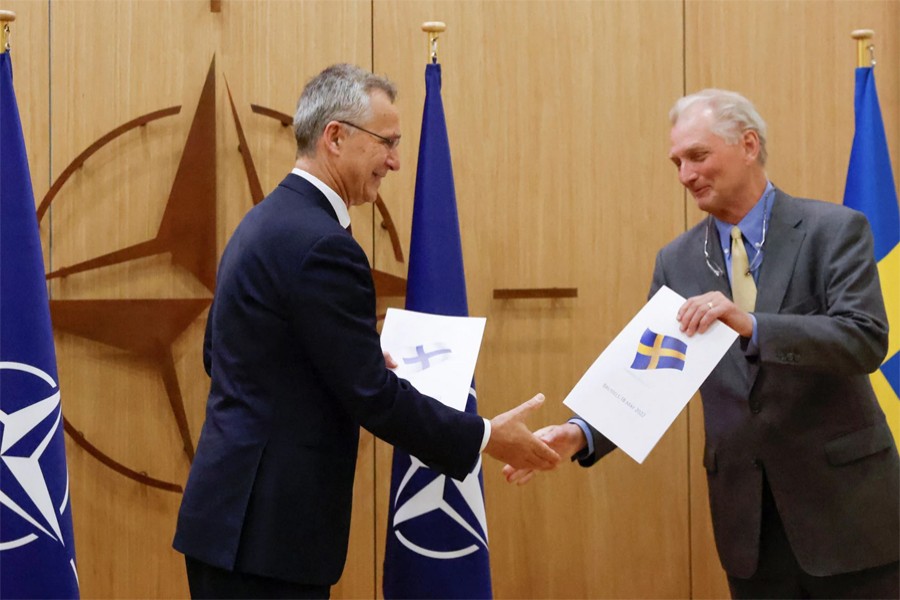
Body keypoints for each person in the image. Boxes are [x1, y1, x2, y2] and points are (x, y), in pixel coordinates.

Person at [173, 63, 559, 599]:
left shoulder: (261, 222)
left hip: (230, 525)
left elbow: (222, 354)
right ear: (336, 137)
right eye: (388, 143)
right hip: (268, 539)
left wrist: (337, 357)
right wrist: (489, 437)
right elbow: (373, 398)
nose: (396, 162)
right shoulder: (324, 245)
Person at [505, 89, 899, 598]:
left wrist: (753, 324)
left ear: (749, 145)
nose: (685, 176)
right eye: (677, 162)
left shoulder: (833, 231)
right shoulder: (678, 260)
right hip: (750, 528)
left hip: (849, 516)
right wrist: (581, 432)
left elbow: (865, 339)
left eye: (698, 156)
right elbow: (651, 376)